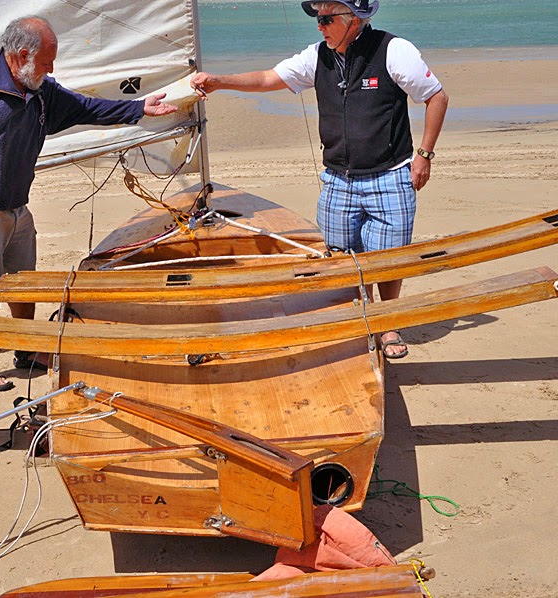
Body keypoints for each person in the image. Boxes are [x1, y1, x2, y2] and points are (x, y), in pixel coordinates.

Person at [0, 16, 177, 391]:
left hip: (15, 206)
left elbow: (87, 108)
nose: (51, 69)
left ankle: (26, 349)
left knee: (23, 283)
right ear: (21, 55)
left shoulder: (40, 90)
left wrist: (139, 108)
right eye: (46, 61)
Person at [191, 0, 448, 359]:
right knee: (344, 257)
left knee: (388, 259)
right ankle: (363, 316)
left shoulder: (394, 51)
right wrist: (220, 82)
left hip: (390, 176)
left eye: (326, 18)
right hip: (338, 180)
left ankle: (387, 323)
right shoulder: (317, 57)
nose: (319, 26)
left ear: (354, 20)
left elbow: (436, 97)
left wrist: (424, 155)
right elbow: (270, 78)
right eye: (317, 18)